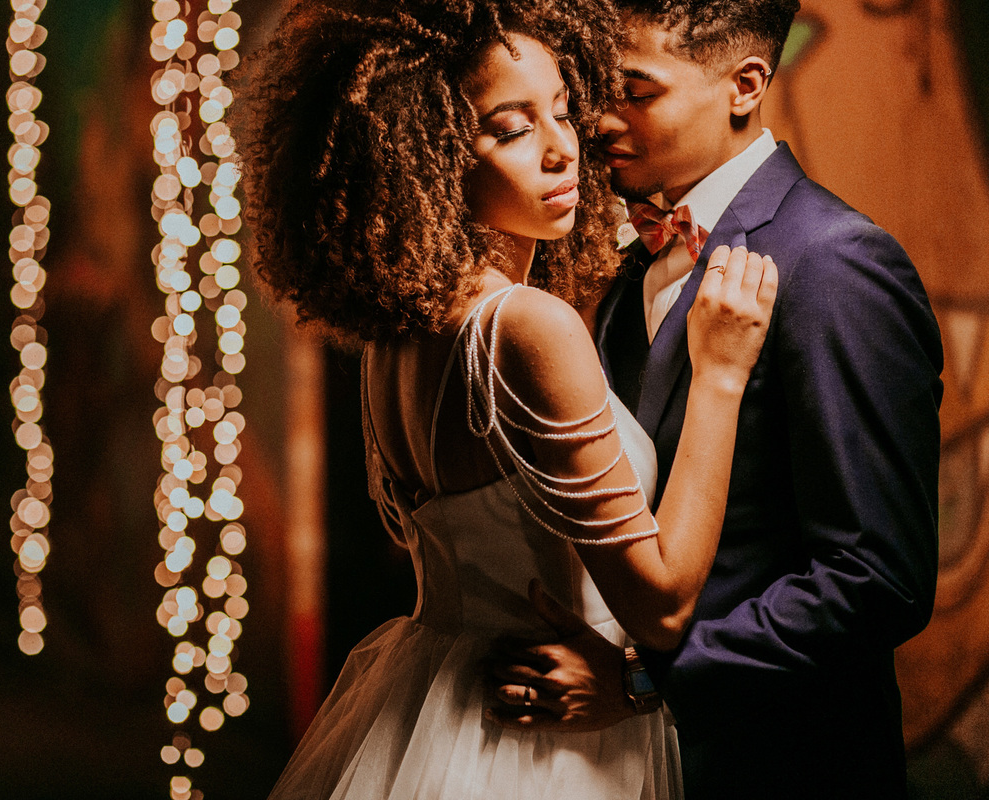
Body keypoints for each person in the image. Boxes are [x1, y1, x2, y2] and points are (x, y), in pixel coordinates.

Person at [239, 0, 776, 797]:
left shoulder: (402, 335)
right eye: (513, 127)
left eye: (563, 110)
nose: (565, 150)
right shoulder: (527, 327)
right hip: (544, 746)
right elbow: (661, 609)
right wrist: (721, 376)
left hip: (436, 703)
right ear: (428, 153)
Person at [487, 1, 944, 798]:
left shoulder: (836, 264)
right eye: (593, 89)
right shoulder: (627, 270)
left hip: (784, 767)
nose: (596, 120)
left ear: (745, 84)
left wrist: (644, 681)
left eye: (635, 90)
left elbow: (877, 580)